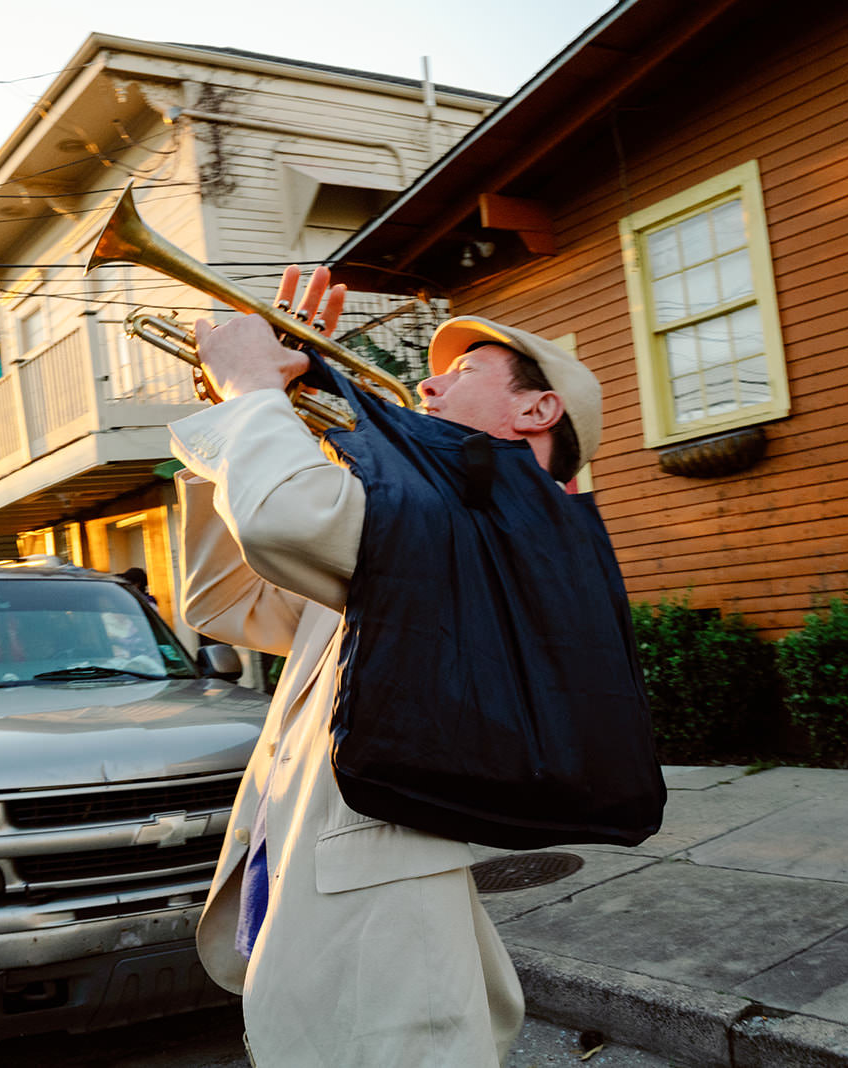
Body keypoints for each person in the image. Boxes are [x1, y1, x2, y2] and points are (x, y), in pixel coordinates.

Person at [170, 266, 602, 1067]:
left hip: (378, 933)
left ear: (536, 411)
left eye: (464, 371)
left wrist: (253, 393)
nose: (428, 384)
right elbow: (225, 601)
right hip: (310, 892)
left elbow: (286, 517)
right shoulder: (418, 516)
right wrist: (238, 422)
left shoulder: (489, 526)